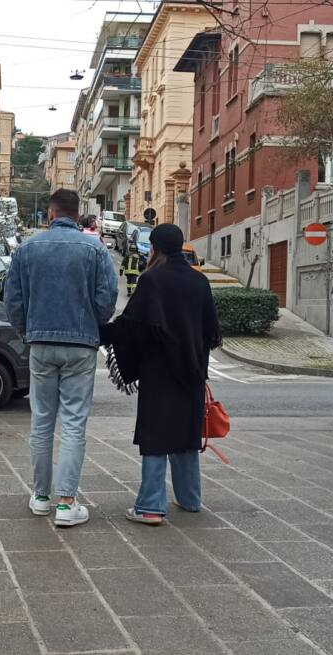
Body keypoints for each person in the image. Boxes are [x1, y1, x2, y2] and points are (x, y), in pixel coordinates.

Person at [4, 188, 118, 527]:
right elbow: (107, 296)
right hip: (81, 344)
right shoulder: (94, 248)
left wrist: (27, 329)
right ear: (77, 213)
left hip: (40, 342)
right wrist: (93, 323)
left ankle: (41, 497)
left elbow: (13, 300)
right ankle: (67, 503)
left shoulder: (27, 248)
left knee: (41, 420)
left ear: (50, 215)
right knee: (73, 422)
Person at [101, 224, 220, 525]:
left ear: (156, 247)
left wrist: (102, 333)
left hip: (160, 372)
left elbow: (134, 326)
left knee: (155, 436)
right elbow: (212, 332)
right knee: (186, 436)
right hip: (192, 371)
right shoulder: (199, 282)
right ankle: (190, 499)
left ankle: (151, 506)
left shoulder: (152, 280)